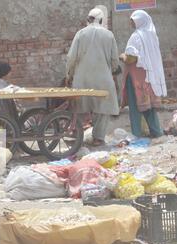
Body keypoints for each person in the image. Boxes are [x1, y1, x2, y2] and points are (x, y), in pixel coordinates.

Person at [66, 8, 120, 146]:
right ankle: (98, 138)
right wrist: (113, 71)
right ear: (101, 20)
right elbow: (115, 60)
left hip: (81, 78)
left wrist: (69, 75)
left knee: (79, 106)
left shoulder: (80, 34)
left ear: (88, 19)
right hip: (103, 79)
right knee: (102, 108)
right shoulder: (109, 35)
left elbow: (71, 58)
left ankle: (76, 134)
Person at [120, 10, 166, 138]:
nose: (131, 23)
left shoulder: (136, 36)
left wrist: (122, 56)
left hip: (136, 76)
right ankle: (157, 131)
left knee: (135, 106)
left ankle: (136, 133)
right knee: (148, 104)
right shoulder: (152, 35)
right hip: (149, 76)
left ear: (138, 21)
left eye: (132, 21)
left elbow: (131, 58)